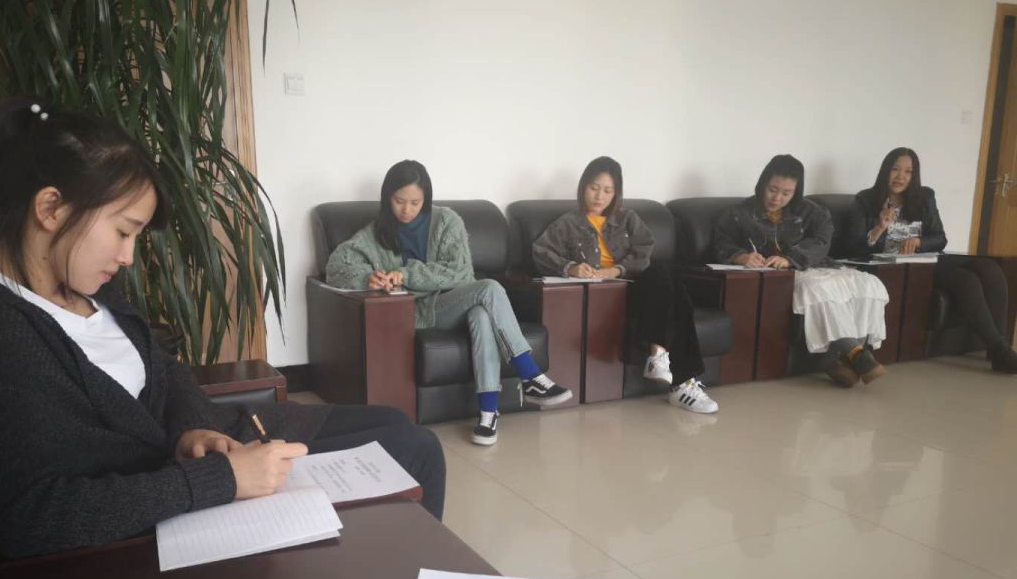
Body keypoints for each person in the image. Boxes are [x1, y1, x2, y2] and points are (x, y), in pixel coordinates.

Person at [0, 98, 446, 559]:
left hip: (211, 448)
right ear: (51, 208)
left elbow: (164, 370)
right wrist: (220, 480)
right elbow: (31, 515)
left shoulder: (79, 281)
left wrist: (195, 431)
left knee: (396, 424)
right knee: (416, 450)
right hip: (175, 502)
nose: (128, 256)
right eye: (122, 231)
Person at [325, 159, 571, 446]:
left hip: (453, 302)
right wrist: (368, 277)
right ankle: (530, 375)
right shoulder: (374, 233)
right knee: (489, 290)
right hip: (416, 312)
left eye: (415, 202)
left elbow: (461, 273)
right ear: (387, 198)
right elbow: (335, 268)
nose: (406, 210)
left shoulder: (446, 221)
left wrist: (405, 274)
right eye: (399, 201)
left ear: (426, 199)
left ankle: (488, 414)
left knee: (481, 312)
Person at [531, 156, 718, 413]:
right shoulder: (567, 224)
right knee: (672, 287)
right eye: (594, 188)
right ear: (583, 187)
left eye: (608, 190)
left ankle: (661, 359)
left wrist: (615, 269)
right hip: (605, 298)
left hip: (638, 289)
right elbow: (540, 251)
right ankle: (678, 379)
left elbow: (645, 251)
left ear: (616, 193)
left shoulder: (627, 219)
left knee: (667, 278)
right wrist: (570, 267)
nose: (600, 196)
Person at [713, 154, 890, 387]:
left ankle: (842, 361)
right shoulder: (739, 213)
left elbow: (822, 241)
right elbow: (721, 242)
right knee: (816, 288)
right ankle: (855, 354)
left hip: (813, 265)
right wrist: (742, 256)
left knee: (867, 283)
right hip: (781, 278)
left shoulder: (813, 212)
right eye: (772, 189)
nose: (777, 198)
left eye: (786, 193)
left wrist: (790, 258)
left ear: (796, 192)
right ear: (762, 183)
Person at [850, 147, 1017, 373]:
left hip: (928, 258)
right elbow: (856, 245)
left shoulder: (924, 197)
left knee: (990, 268)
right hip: (900, 268)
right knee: (966, 280)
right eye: (895, 169)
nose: (901, 176)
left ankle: (999, 348)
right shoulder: (866, 200)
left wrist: (918, 241)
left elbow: (940, 238)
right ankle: (1000, 352)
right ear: (885, 170)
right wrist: (880, 227)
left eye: (908, 172)